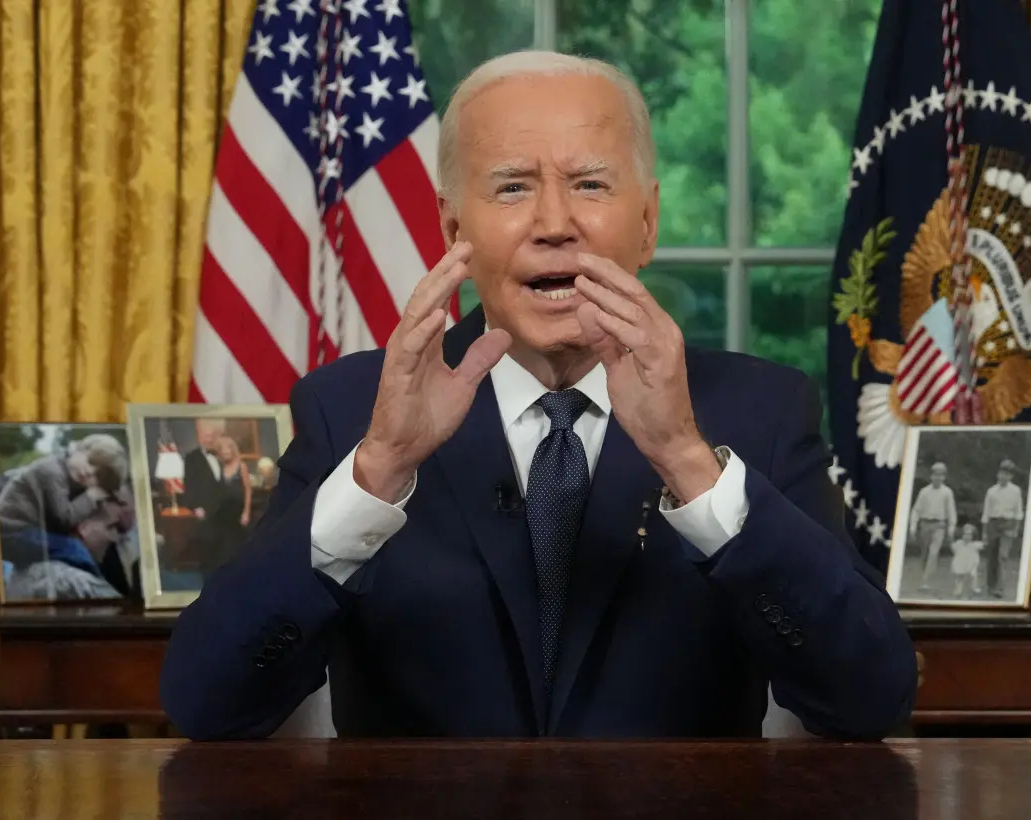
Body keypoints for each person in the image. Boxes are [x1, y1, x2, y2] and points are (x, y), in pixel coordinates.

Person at [160, 51, 916, 742]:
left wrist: (689, 462)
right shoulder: (351, 410)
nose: (556, 225)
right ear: (453, 225)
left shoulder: (761, 411)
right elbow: (207, 704)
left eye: (590, 185)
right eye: (513, 187)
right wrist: (379, 471)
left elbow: (869, 700)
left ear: (647, 223)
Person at [0, 433, 130, 580]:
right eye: (91, 461)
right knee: (74, 549)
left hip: (23, 531)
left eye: (98, 476)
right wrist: (90, 497)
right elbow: (63, 518)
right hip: (11, 531)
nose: (89, 472)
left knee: (70, 548)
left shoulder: (68, 476)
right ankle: (95, 585)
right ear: (78, 449)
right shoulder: (52, 471)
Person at [197, 435, 253, 577]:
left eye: (228, 450)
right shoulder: (219, 466)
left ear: (233, 450)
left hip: (237, 511)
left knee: (235, 544)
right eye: (222, 451)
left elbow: (248, 490)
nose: (225, 453)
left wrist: (246, 512)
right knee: (220, 544)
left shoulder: (241, 466)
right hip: (222, 511)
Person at [908, 462, 956, 592]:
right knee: (925, 553)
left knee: (933, 553)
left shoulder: (947, 492)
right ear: (931, 476)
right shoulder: (924, 492)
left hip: (939, 525)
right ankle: (924, 576)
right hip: (925, 524)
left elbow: (951, 511)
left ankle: (925, 581)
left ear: (944, 477)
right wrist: (913, 526)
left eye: (941, 475)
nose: (938, 478)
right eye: (935, 475)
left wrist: (951, 528)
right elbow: (916, 510)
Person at [981, 459, 1024, 598]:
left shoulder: (1015, 491)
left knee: (1003, 556)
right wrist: (985, 532)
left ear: (1011, 476)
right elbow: (986, 513)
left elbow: (1018, 512)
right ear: (998, 474)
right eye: (1001, 473)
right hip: (993, 524)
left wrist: (1016, 528)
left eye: (1007, 474)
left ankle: (1000, 588)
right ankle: (990, 586)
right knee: (992, 556)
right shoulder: (991, 491)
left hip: (1008, 523)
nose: (1003, 476)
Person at [949, 523, 983, 598]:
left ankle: (974, 588)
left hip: (972, 563)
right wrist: (951, 538)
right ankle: (958, 589)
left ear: (973, 536)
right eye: (965, 534)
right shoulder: (959, 543)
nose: (967, 537)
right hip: (961, 563)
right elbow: (953, 548)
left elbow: (983, 545)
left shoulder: (975, 545)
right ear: (962, 535)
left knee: (973, 575)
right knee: (959, 577)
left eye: (969, 535)